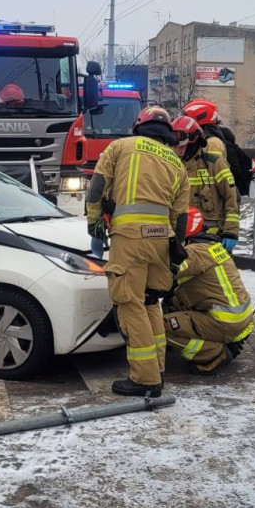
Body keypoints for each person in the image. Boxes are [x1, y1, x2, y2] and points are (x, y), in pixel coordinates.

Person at [86, 106, 191, 398]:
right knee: (149, 302)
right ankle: (156, 369)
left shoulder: (121, 146)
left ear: (139, 125)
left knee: (129, 302)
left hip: (130, 237)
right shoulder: (176, 162)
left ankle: (145, 379)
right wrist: (174, 249)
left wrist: (94, 221)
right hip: (161, 240)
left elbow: (97, 187)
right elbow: (180, 218)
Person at [164, 207, 255, 375]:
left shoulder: (194, 253)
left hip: (225, 321)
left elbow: (165, 273)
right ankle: (223, 340)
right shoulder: (212, 246)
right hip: (241, 318)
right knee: (173, 303)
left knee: (157, 326)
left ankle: (214, 353)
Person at [172, 116, 239, 252]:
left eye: (182, 146)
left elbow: (232, 198)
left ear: (194, 142)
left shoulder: (214, 164)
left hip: (211, 237)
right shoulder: (172, 166)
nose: (178, 150)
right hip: (180, 237)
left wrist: (231, 231)